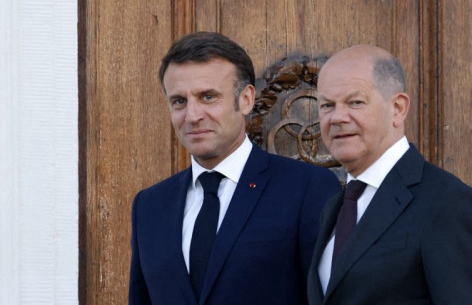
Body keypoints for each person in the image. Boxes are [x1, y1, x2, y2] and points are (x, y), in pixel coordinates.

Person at [129, 31, 341, 305]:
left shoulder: (307, 188)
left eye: (208, 97)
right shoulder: (149, 205)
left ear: (246, 99)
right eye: (179, 101)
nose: (192, 116)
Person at [308, 44, 472, 304]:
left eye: (355, 102)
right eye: (327, 105)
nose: (337, 117)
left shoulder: (446, 201)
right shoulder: (335, 207)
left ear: (398, 108)